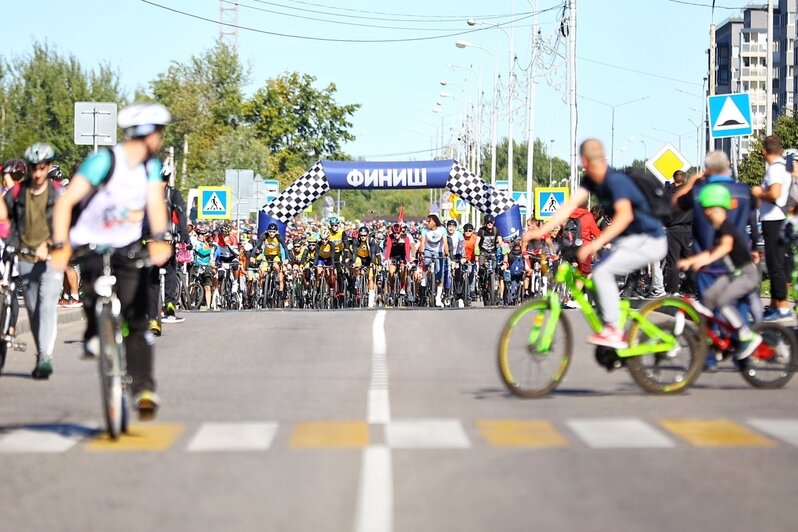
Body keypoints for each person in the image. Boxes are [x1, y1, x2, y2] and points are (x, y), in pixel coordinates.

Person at [50, 102, 173, 418]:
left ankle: (144, 388)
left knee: (136, 319)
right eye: (158, 133)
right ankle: (93, 332)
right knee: (91, 291)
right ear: (147, 134)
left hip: (127, 246)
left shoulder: (150, 167)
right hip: (90, 241)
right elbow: (66, 203)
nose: (159, 139)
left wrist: (160, 238)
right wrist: (61, 244)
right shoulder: (103, 161)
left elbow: (155, 205)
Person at [523, 139, 667, 348]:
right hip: (630, 241)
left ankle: (614, 331)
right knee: (596, 276)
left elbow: (624, 216)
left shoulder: (615, 181)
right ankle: (610, 325)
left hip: (649, 241)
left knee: (600, 272)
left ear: (583, 160)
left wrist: (593, 245)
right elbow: (569, 206)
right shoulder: (591, 180)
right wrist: (540, 230)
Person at [678, 184, 762, 360]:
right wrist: (690, 261)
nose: (705, 213)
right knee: (708, 297)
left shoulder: (726, 227)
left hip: (746, 275)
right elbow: (711, 252)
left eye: (707, 210)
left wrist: (706, 261)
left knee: (723, 301)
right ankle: (719, 338)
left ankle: (746, 336)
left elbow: (725, 247)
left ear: (716, 208)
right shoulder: (719, 229)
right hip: (733, 275)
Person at [5, 143, 64, 378]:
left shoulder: (57, 196)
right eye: (34, 168)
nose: (38, 173)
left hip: (51, 258)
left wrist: (49, 245)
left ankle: (44, 357)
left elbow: (63, 226)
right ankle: (41, 353)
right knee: (32, 308)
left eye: (42, 168)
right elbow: (3, 212)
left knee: (47, 304)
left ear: (48, 167)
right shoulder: (19, 192)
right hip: (25, 257)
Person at [752, 135, 793, 322]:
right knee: (778, 263)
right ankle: (776, 304)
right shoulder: (785, 167)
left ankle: (782, 307)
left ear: (764, 151)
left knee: (775, 265)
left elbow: (775, 194)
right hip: (780, 220)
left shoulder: (774, 170)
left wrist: (759, 192)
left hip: (773, 220)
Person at [416, 214, 449, 307]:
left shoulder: (442, 229)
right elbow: (423, 242)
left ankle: (438, 297)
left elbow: (445, 243)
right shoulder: (424, 230)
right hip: (428, 250)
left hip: (439, 251)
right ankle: (425, 277)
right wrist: (422, 253)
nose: (427, 223)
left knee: (440, 274)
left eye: (429, 221)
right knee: (426, 262)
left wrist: (446, 254)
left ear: (434, 222)